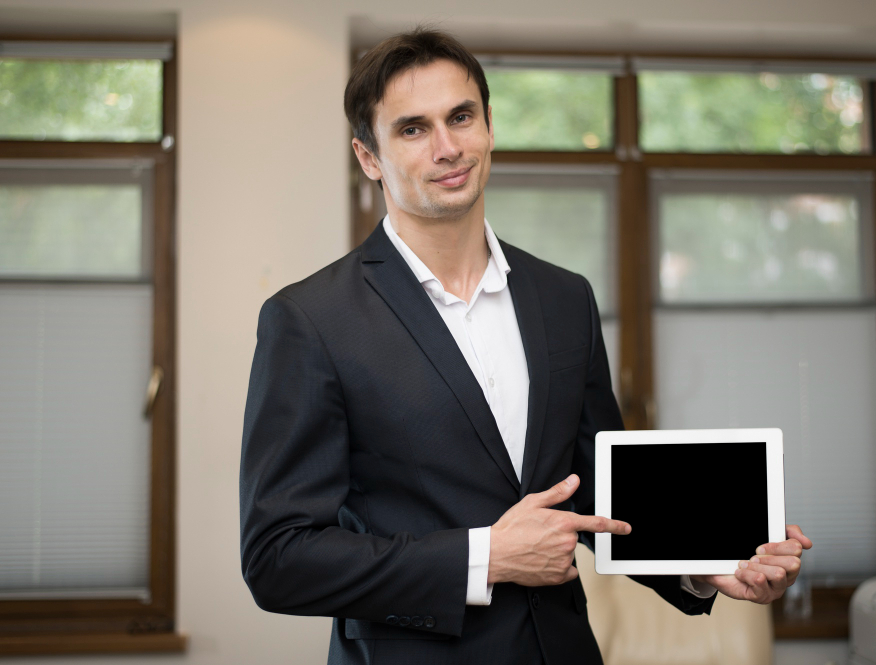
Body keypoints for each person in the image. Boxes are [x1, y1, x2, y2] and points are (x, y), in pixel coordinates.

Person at [239, 27, 812, 665]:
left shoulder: (564, 299)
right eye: (413, 129)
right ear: (369, 156)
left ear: (489, 127)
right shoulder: (310, 319)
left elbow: (600, 492)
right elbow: (277, 557)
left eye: (461, 117)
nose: (448, 147)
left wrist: (706, 567)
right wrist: (486, 556)